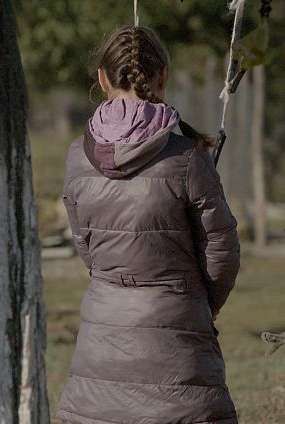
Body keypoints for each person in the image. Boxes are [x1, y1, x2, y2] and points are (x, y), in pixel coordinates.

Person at [55, 26, 240, 424]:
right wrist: (197, 305)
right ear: (162, 78)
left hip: (102, 338)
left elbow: (86, 247)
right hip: (179, 341)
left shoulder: (76, 156)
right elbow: (221, 252)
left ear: (102, 78)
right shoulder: (188, 157)